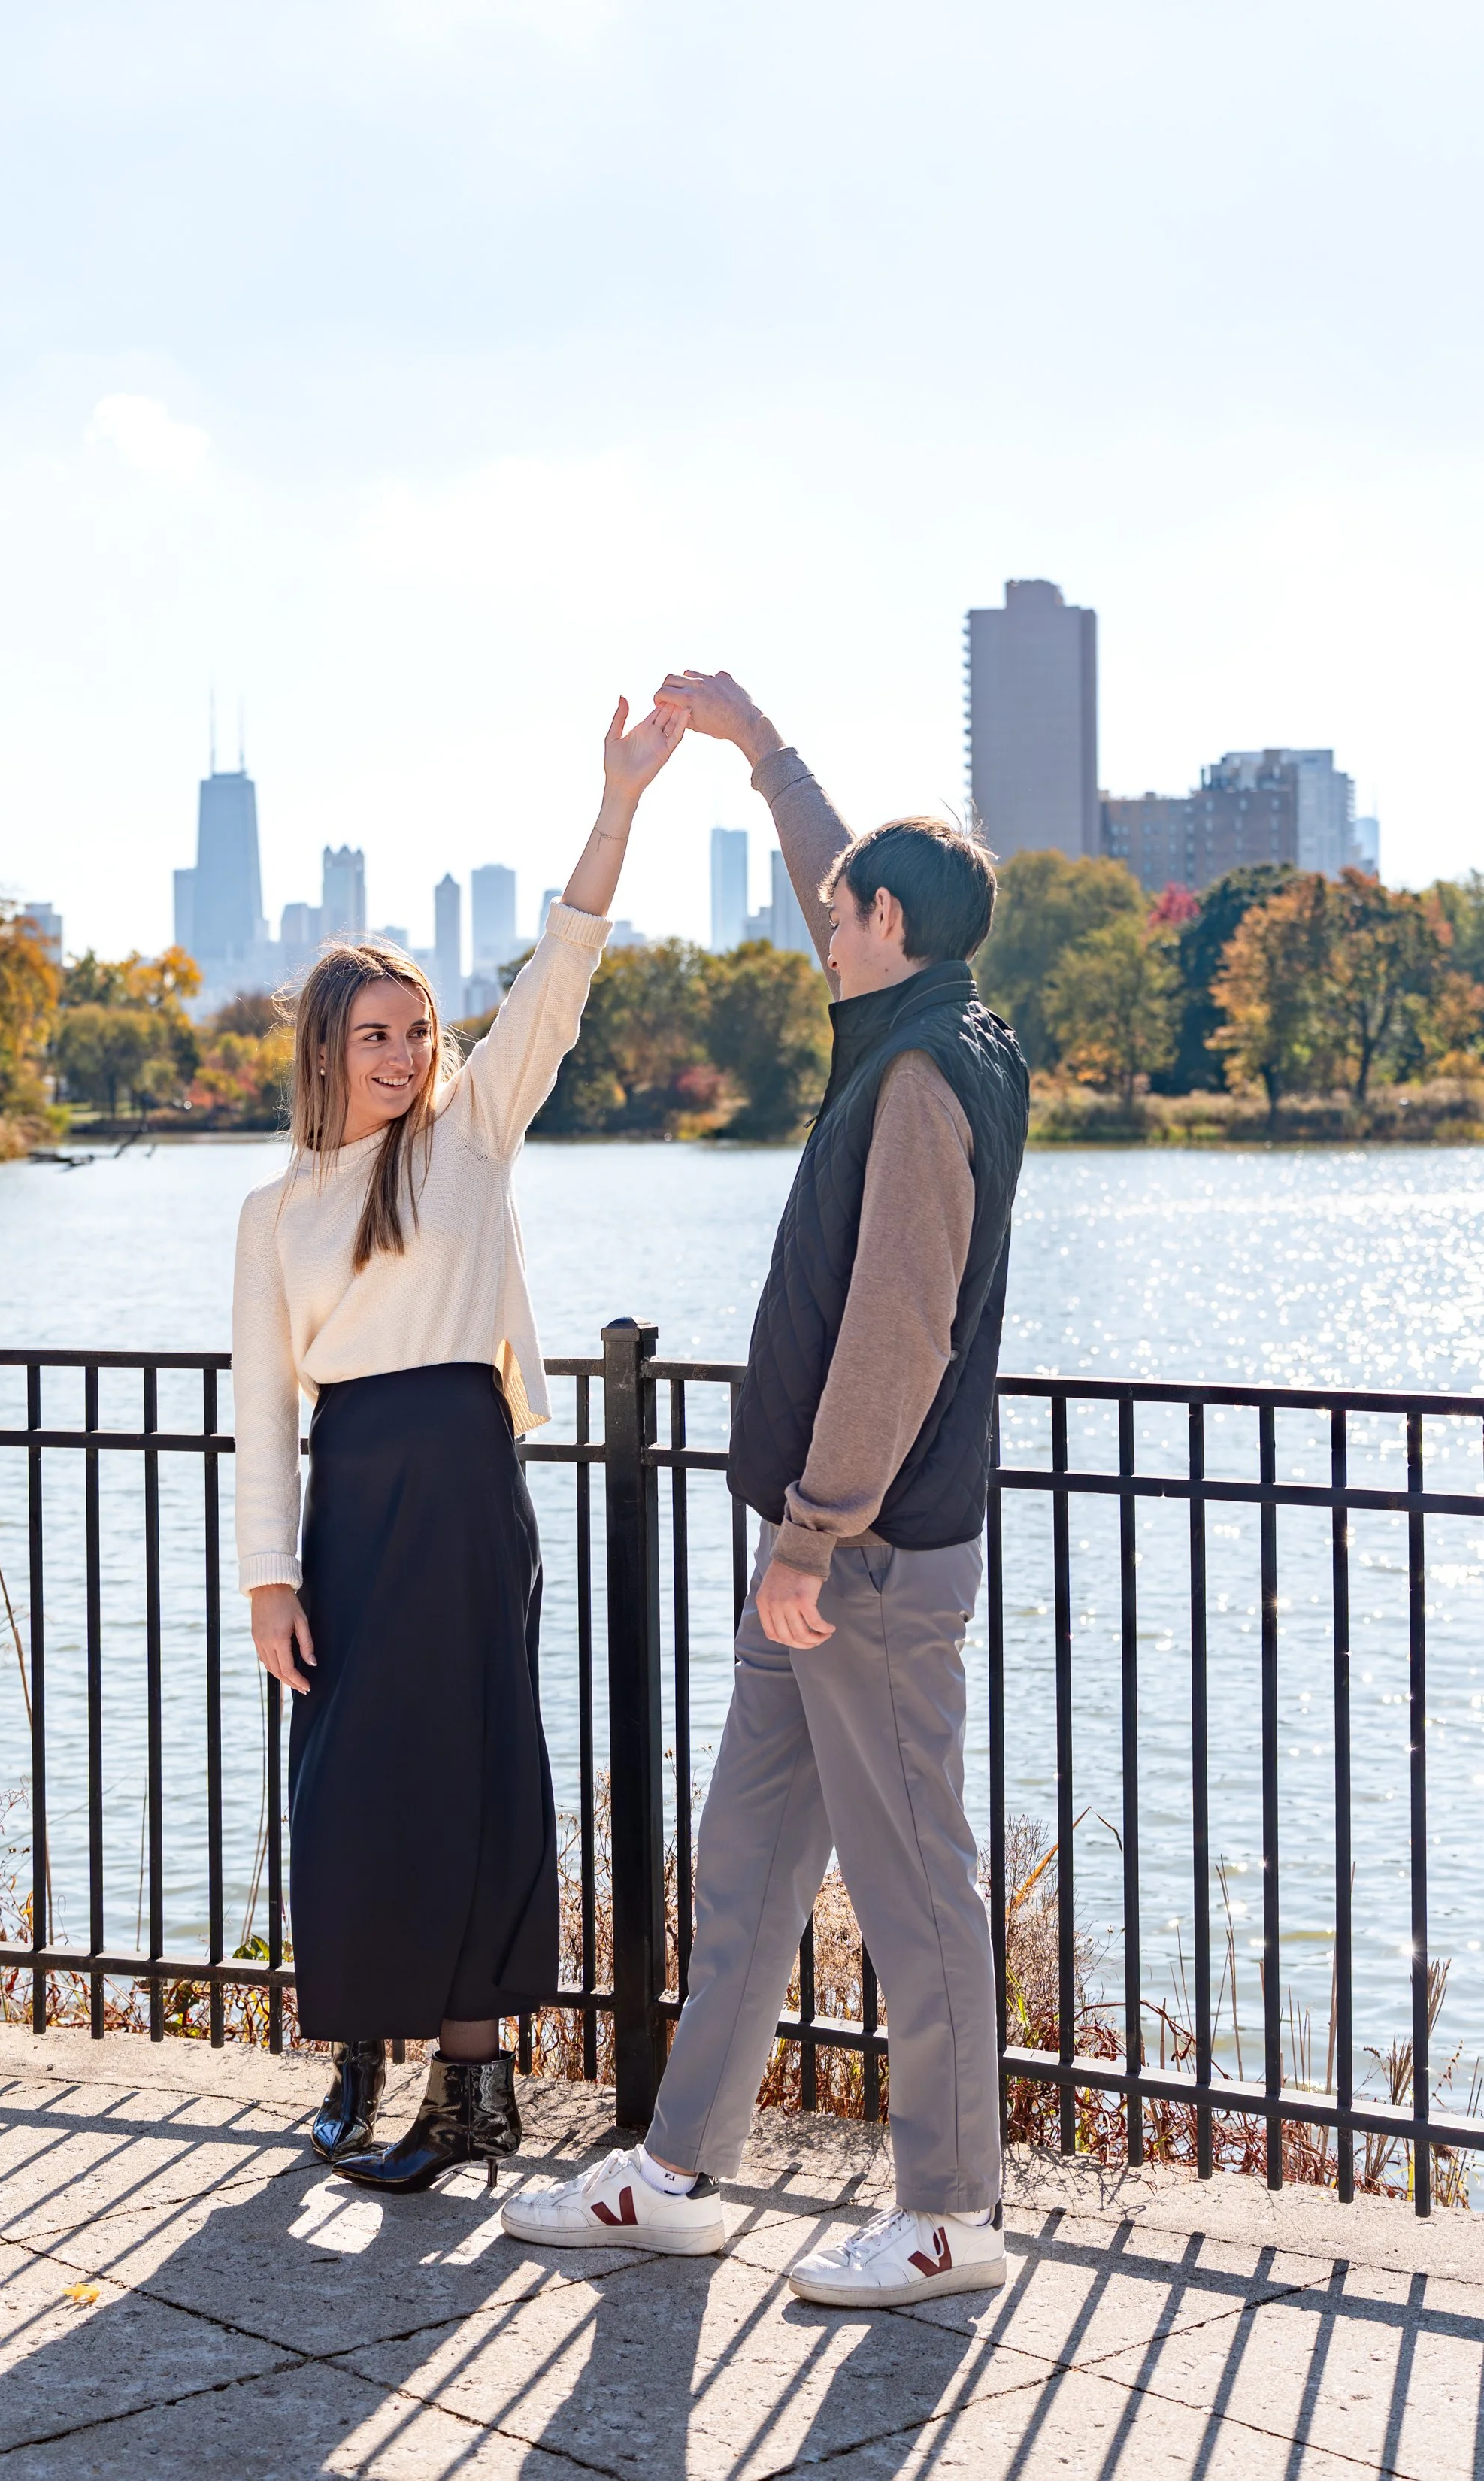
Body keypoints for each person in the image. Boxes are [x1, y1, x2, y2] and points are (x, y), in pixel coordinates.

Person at [502, 671, 1030, 2304]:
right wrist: (759, 750)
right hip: (819, 1559)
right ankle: (673, 2173)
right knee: (742, 1867)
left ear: (888, 925)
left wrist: (810, 1533)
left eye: (840, 913)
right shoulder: (912, 1019)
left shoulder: (926, 1081)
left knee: (912, 1887)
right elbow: (834, 867)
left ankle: (951, 2214)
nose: (821, 925)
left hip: (862, 1560)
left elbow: (897, 1328)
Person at [232, 695, 686, 2193]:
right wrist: (269, 1579)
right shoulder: (274, 1212)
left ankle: (473, 2087)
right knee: (345, 1784)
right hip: (351, 1498)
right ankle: (360, 2053)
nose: (401, 1052)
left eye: (415, 1030)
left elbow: (564, 962)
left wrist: (617, 799)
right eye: (374, 1034)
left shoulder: (474, 1131)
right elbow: (264, 1408)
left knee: (466, 1770)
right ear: (324, 1047)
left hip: (464, 1482)